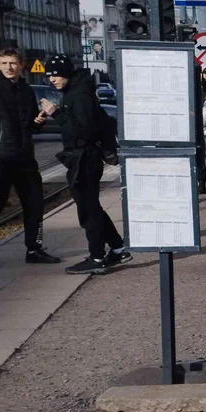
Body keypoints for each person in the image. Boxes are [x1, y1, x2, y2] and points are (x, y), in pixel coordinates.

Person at [43, 54, 129, 275]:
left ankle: (97, 257)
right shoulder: (76, 91)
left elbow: (84, 130)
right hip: (83, 157)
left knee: (87, 211)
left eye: (57, 74)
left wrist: (57, 114)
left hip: (84, 158)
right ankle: (118, 248)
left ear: (68, 73)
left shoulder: (78, 96)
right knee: (92, 207)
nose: (52, 79)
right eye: (49, 75)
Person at [0, 47, 60, 269]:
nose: (8, 67)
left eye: (12, 63)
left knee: (35, 204)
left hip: (26, 158)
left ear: (21, 65)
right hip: (2, 158)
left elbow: (31, 127)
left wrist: (39, 122)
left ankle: (35, 249)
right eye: (4, 63)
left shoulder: (25, 90)